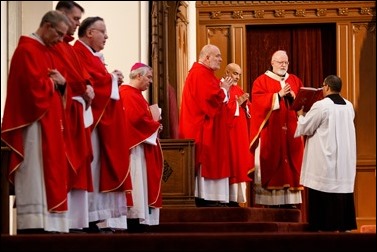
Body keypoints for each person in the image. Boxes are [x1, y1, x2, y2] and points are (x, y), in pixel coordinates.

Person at [1, 10, 71, 233]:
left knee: (49, 171)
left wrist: (61, 84)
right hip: (32, 125)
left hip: (48, 123)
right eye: (59, 34)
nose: (61, 40)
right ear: (47, 26)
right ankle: (33, 223)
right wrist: (53, 84)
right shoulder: (27, 49)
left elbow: (53, 81)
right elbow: (30, 89)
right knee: (35, 170)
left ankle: (49, 221)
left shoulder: (46, 50)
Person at [73, 16, 131, 232]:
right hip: (91, 124)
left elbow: (97, 80)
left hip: (100, 124)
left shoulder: (91, 55)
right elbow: (88, 82)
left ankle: (93, 216)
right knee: (93, 168)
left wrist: (111, 78)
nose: (106, 36)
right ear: (89, 33)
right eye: (102, 31)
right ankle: (87, 216)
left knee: (98, 170)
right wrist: (111, 79)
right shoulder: (78, 52)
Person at [294, 75, 357, 232]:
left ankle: (322, 227)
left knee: (323, 190)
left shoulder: (321, 106)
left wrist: (300, 116)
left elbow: (306, 127)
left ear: (327, 87)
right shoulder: (349, 106)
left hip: (324, 160)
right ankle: (343, 226)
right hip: (343, 160)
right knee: (341, 192)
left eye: (323, 86)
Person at [53, 1, 95, 231]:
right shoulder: (54, 44)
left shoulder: (68, 47)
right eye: (76, 19)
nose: (78, 24)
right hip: (64, 114)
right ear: (62, 15)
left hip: (77, 112)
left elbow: (81, 75)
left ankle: (77, 222)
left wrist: (87, 85)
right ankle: (65, 221)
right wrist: (81, 87)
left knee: (79, 167)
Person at [179, 44, 233, 207]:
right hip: (202, 128)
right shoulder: (200, 73)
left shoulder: (205, 73)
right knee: (208, 161)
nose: (221, 59)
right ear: (207, 57)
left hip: (208, 127)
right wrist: (224, 90)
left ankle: (212, 196)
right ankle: (206, 196)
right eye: (217, 56)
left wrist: (223, 89)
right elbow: (211, 100)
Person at [249, 50, 304, 208]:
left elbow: (302, 106)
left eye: (286, 62)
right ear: (272, 62)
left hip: (291, 133)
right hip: (271, 133)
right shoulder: (262, 81)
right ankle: (273, 203)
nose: (283, 65)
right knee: (273, 162)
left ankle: (290, 202)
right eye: (280, 62)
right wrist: (277, 95)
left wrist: (295, 98)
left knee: (292, 163)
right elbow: (258, 104)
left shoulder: (294, 80)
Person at [119, 63, 164, 231]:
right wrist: (154, 124)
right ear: (138, 76)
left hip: (142, 146)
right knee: (137, 183)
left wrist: (153, 123)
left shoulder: (136, 95)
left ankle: (139, 217)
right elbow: (134, 120)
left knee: (141, 183)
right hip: (135, 150)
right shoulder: (129, 94)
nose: (150, 81)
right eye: (148, 77)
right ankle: (135, 217)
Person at [224, 63, 253, 207]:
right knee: (232, 163)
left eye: (239, 74)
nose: (237, 77)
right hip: (229, 135)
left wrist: (245, 104)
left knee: (240, 162)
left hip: (240, 134)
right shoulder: (223, 87)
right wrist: (237, 103)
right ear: (227, 72)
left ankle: (237, 199)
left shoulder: (238, 89)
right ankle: (230, 198)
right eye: (235, 73)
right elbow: (222, 110)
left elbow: (248, 110)